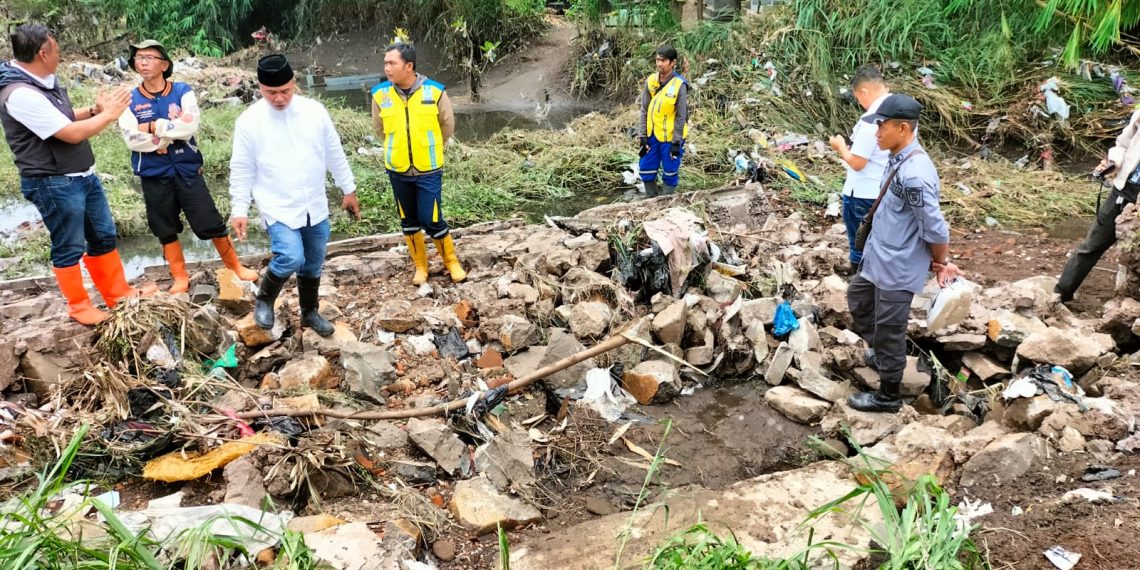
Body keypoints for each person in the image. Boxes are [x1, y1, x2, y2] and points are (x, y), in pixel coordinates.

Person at [0, 23, 153, 325]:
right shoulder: (19, 94)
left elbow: (61, 117)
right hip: (52, 181)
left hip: (81, 174)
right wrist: (109, 115)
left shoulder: (40, 81)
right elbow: (69, 133)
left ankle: (118, 293)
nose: (60, 55)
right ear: (43, 54)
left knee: (103, 235)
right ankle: (79, 306)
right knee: (68, 245)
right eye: (57, 50)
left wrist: (94, 111)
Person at [229, 54, 359, 337]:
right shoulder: (249, 122)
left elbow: (334, 152)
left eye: (285, 91)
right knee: (290, 256)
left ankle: (310, 312)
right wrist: (239, 209)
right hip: (277, 205)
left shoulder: (314, 112)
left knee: (313, 261)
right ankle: (264, 299)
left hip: (314, 203)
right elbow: (241, 169)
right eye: (271, 92)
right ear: (260, 88)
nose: (279, 98)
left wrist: (348, 189)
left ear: (294, 83)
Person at [846, 94, 960, 413]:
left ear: (903, 128)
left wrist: (941, 263)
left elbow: (935, 229)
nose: (877, 133)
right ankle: (883, 354)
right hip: (878, 257)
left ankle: (889, 395)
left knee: (890, 329)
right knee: (858, 299)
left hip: (898, 266)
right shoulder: (896, 158)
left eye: (881, 126)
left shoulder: (916, 175)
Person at [118, 39, 258, 294]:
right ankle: (180, 276)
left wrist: (154, 127)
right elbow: (132, 138)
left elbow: (189, 125)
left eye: (149, 57)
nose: (143, 62)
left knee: (210, 220)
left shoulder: (182, 91)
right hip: (154, 173)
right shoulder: (130, 99)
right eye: (139, 58)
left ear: (164, 64)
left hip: (187, 169)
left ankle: (235, 267)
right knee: (164, 227)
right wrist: (168, 136)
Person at [370, 42, 465, 285]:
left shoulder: (435, 92)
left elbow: (447, 126)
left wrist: (427, 147)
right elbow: (380, 129)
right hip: (397, 169)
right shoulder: (380, 94)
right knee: (408, 220)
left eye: (392, 63)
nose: (387, 68)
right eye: (385, 63)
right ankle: (421, 266)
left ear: (409, 66)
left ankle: (451, 261)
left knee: (431, 218)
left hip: (428, 169)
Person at [1055, 111, 1140, 303]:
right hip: (1122, 193)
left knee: (1134, 257)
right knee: (1091, 246)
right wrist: (1114, 162)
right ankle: (1060, 294)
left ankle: (1128, 306)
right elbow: (1122, 144)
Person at [829, 66, 891, 271]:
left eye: (858, 98)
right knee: (883, 243)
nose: (860, 103)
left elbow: (857, 163)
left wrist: (840, 147)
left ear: (864, 92)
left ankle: (860, 283)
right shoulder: (901, 112)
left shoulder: (871, 120)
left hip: (863, 193)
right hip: (886, 189)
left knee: (860, 245)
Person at [637, 45, 689, 198]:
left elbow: (681, 116)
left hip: (670, 137)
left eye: (663, 61)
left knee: (670, 171)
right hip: (652, 135)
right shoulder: (651, 81)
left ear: (673, 63)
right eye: (657, 60)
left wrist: (676, 142)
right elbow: (644, 109)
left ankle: (666, 203)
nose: (659, 64)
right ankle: (651, 201)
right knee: (646, 168)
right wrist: (642, 135)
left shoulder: (679, 85)